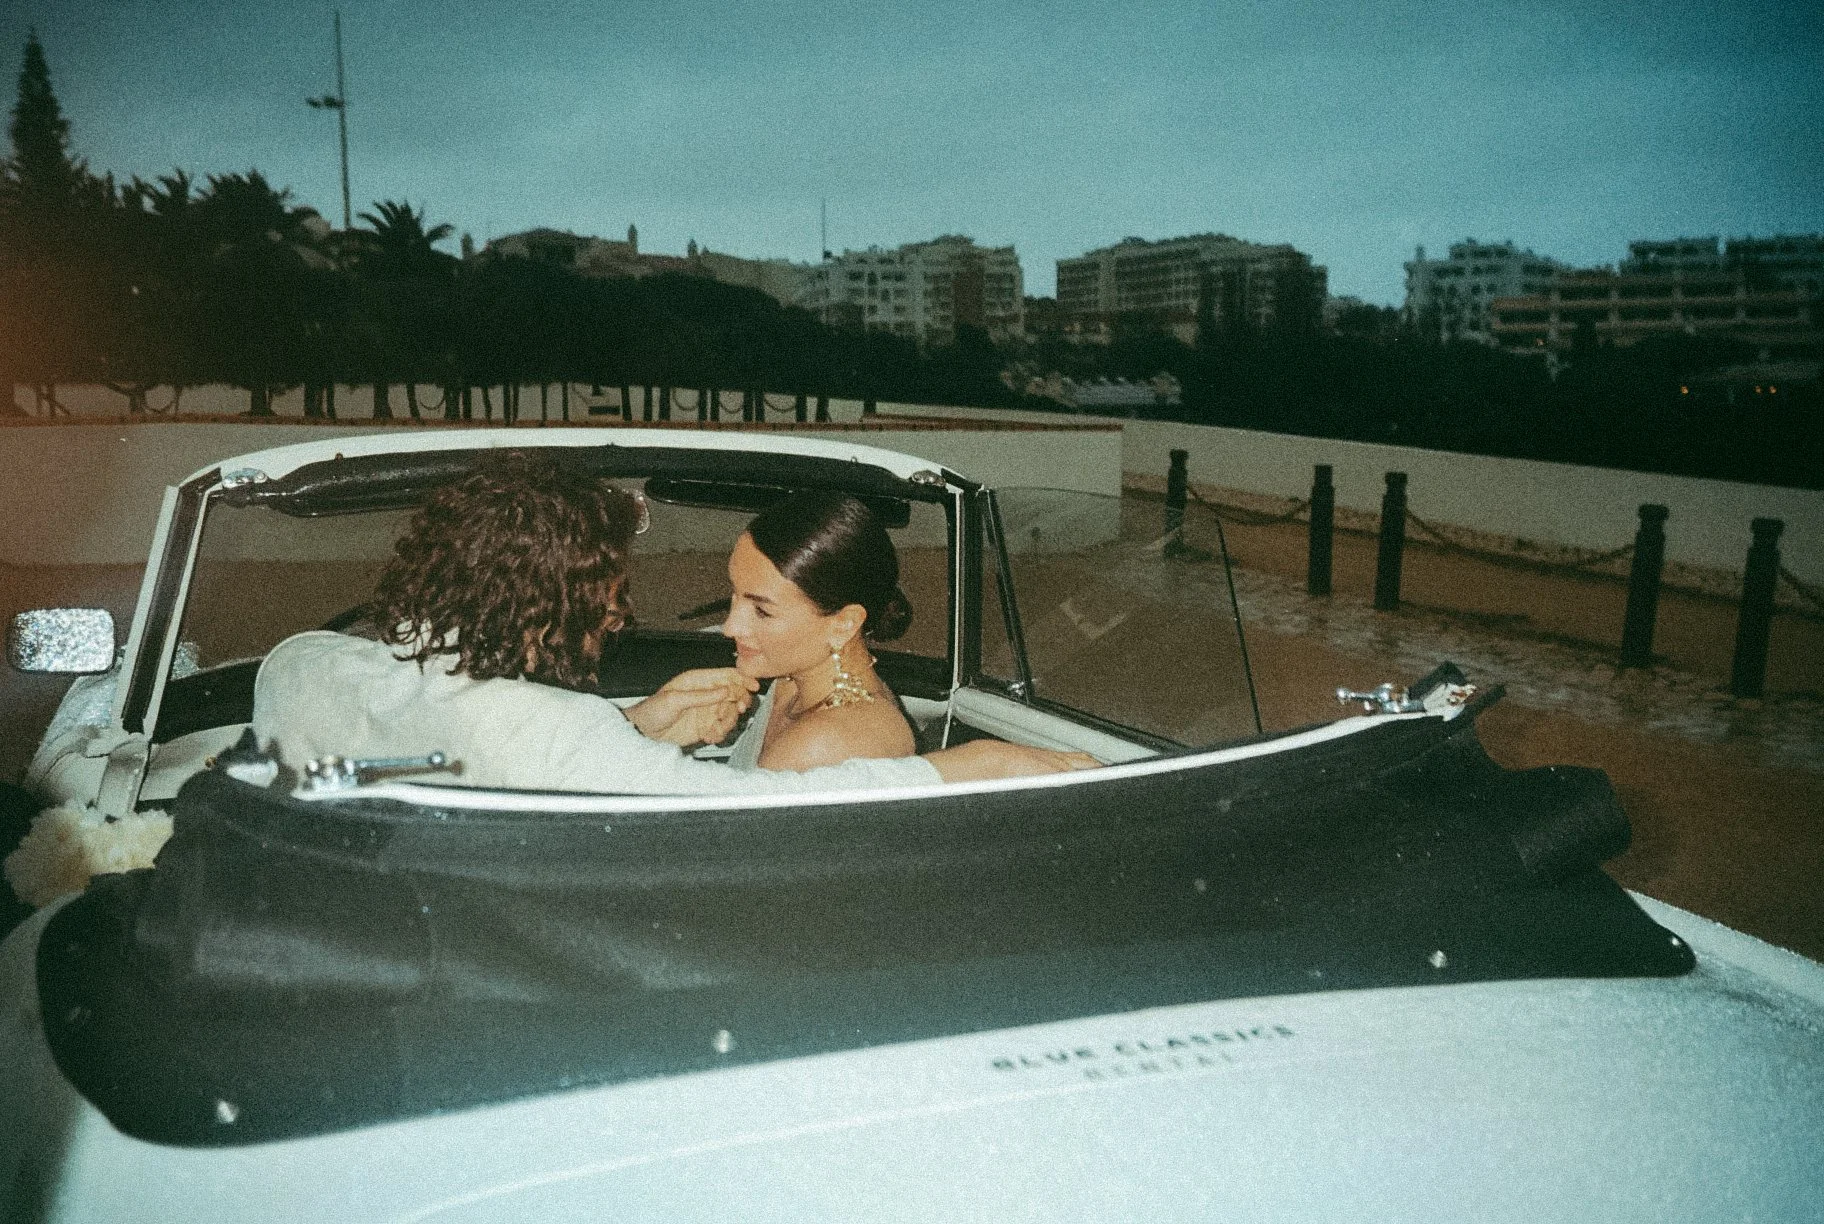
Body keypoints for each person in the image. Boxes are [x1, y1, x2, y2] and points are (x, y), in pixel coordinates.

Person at [253, 452, 1093, 794]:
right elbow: (751, 816)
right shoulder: (556, 728)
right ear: (540, 601)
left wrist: (638, 720)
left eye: (758, 603)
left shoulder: (298, 663)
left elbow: (480, 734)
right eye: (603, 591)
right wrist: (976, 762)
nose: (618, 612)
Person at [721, 492, 915, 771]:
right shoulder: (791, 682)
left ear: (844, 624)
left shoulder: (826, 744)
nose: (730, 627)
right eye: (734, 594)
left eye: (762, 611)